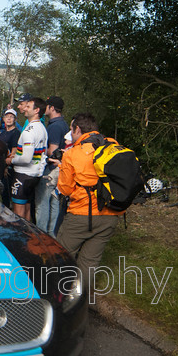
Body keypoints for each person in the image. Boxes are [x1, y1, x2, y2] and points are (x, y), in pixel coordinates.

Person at [55, 113, 123, 274]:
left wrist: (62, 167)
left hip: (81, 214)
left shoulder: (72, 153)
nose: (71, 134)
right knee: (89, 262)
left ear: (77, 129)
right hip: (111, 213)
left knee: (61, 257)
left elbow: (65, 189)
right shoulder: (113, 146)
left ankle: (60, 295)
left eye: (71, 130)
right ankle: (83, 296)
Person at [5, 97, 47, 222]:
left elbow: (26, 158)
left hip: (23, 175)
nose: (25, 108)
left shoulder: (29, 131)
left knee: (18, 212)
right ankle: (29, 237)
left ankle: (20, 239)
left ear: (36, 110)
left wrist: (11, 161)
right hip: (35, 174)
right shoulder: (42, 128)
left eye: (28, 107)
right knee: (27, 208)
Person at [35, 96, 69, 235]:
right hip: (59, 170)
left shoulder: (54, 126)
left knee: (43, 203)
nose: (45, 108)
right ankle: (53, 234)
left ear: (52, 108)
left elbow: (52, 151)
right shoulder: (63, 124)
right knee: (54, 202)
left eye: (47, 105)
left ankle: (42, 235)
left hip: (50, 170)